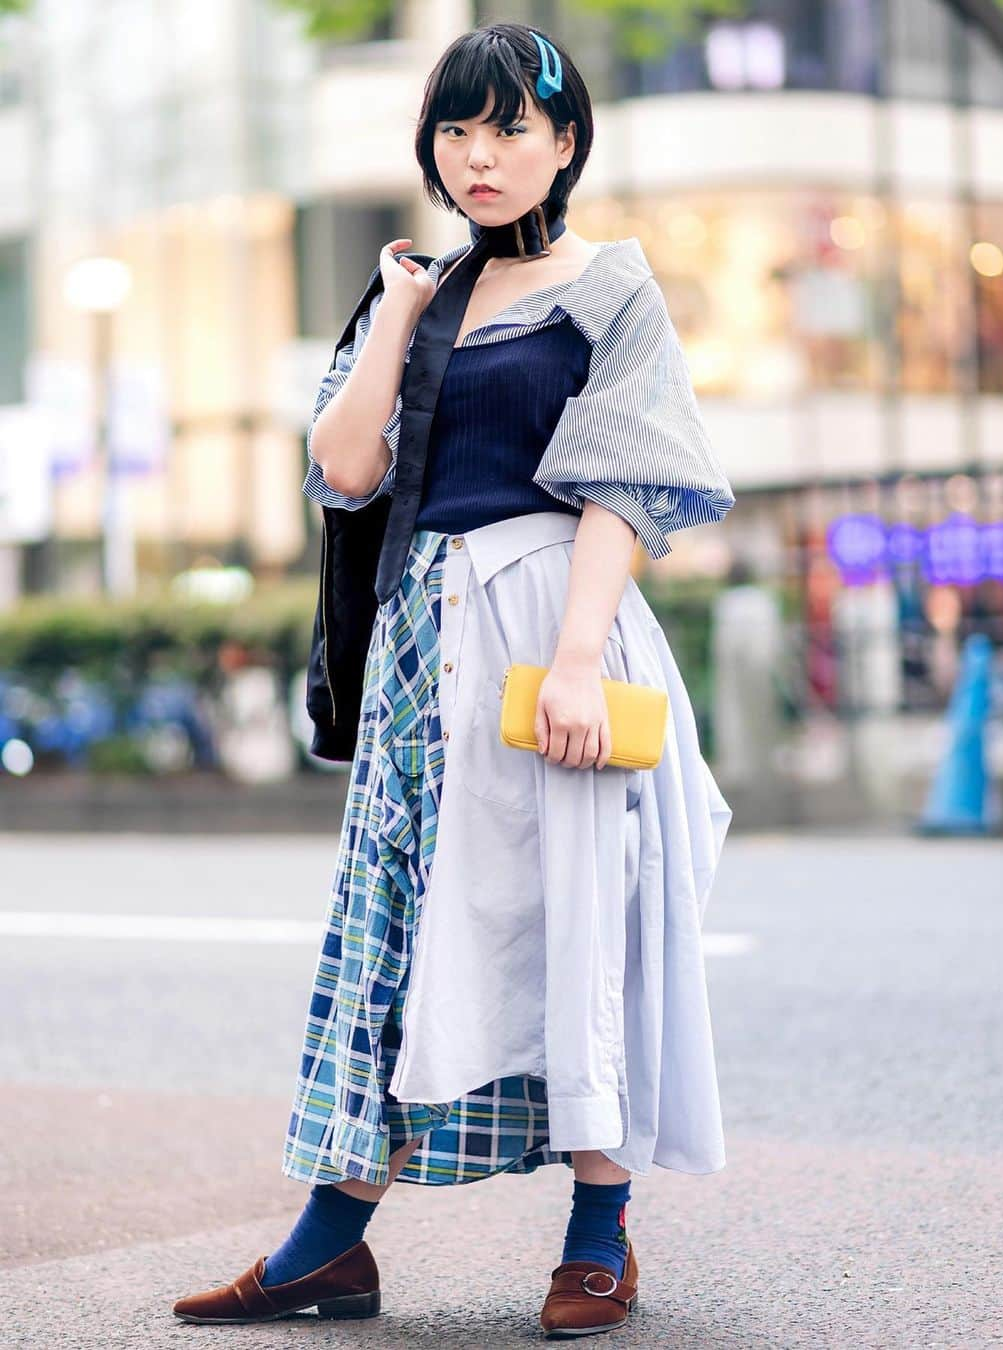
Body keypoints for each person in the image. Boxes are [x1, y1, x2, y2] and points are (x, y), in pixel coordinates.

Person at [173, 22, 736, 1338]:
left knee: (578, 916)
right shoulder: (412, 289)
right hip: (424, 640)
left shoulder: (612, 290)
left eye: (510, 130)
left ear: (565, 145)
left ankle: (601, 1235)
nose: (480, 157)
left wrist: (580, 661)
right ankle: (330, 1243)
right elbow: (347, 468)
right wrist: (405, 314)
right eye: (457, 131)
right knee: (397, 926)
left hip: (554, 619)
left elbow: (621, 487)